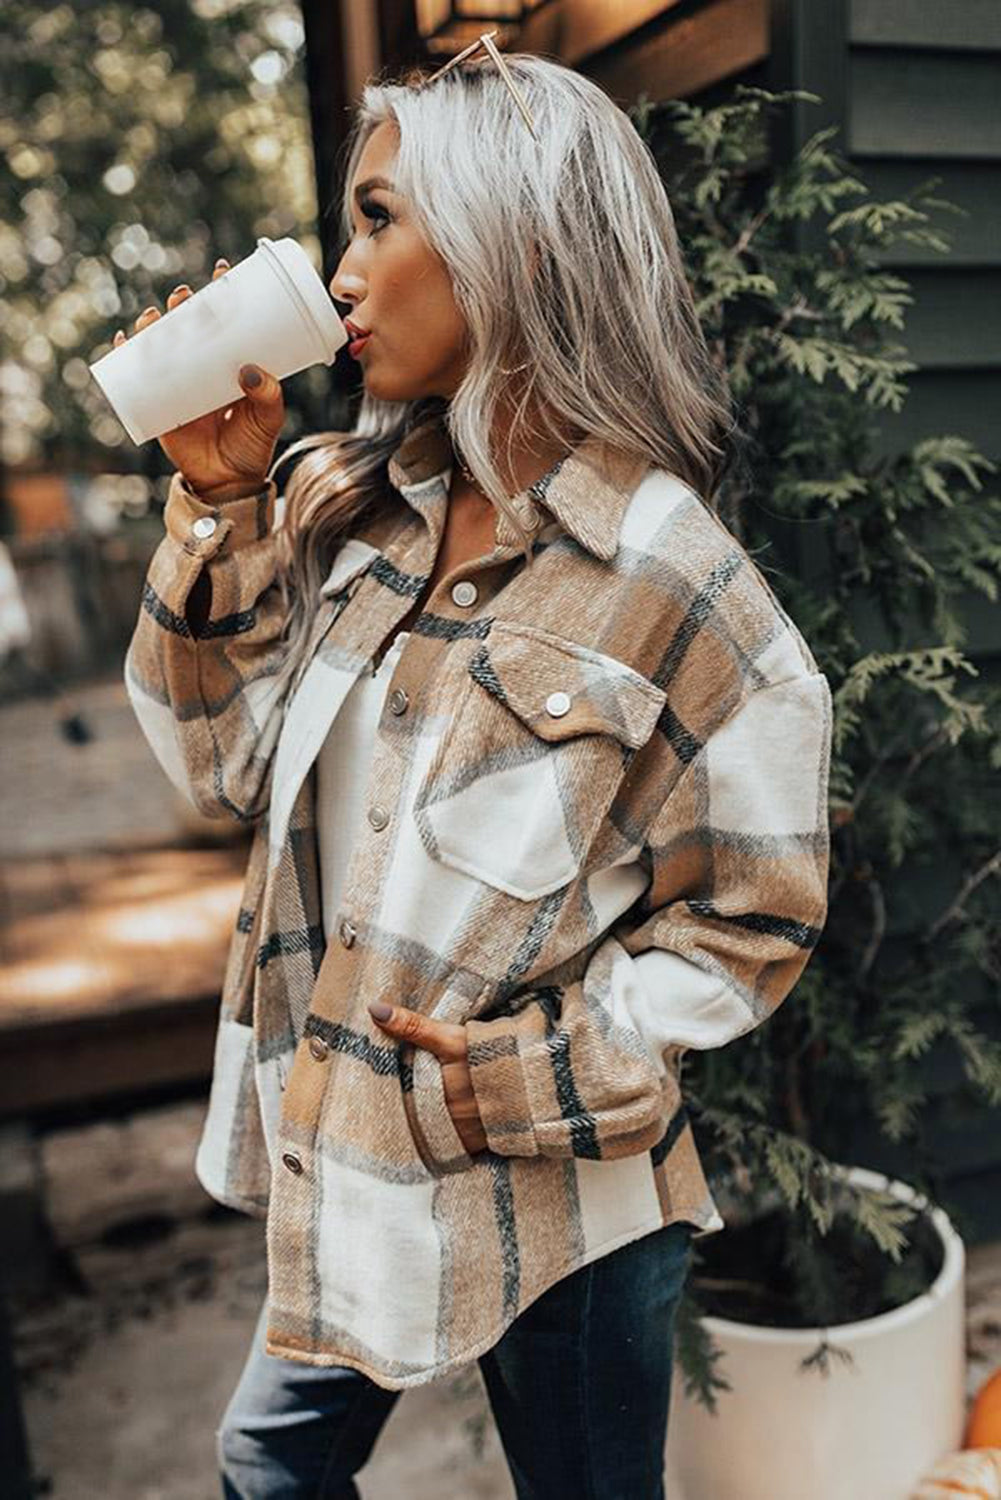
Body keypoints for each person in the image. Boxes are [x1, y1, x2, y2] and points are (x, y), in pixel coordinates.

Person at [123, 46, 832, 1500]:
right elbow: (223, 764)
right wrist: (218, 498)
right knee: (266, 1465)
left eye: (379, 218)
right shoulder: (351, 512)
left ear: (511, 237)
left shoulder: (672, 578)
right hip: (354, 1156)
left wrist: (524, 1078)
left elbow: (750, 917)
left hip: (555, 1192)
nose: (339, 274)